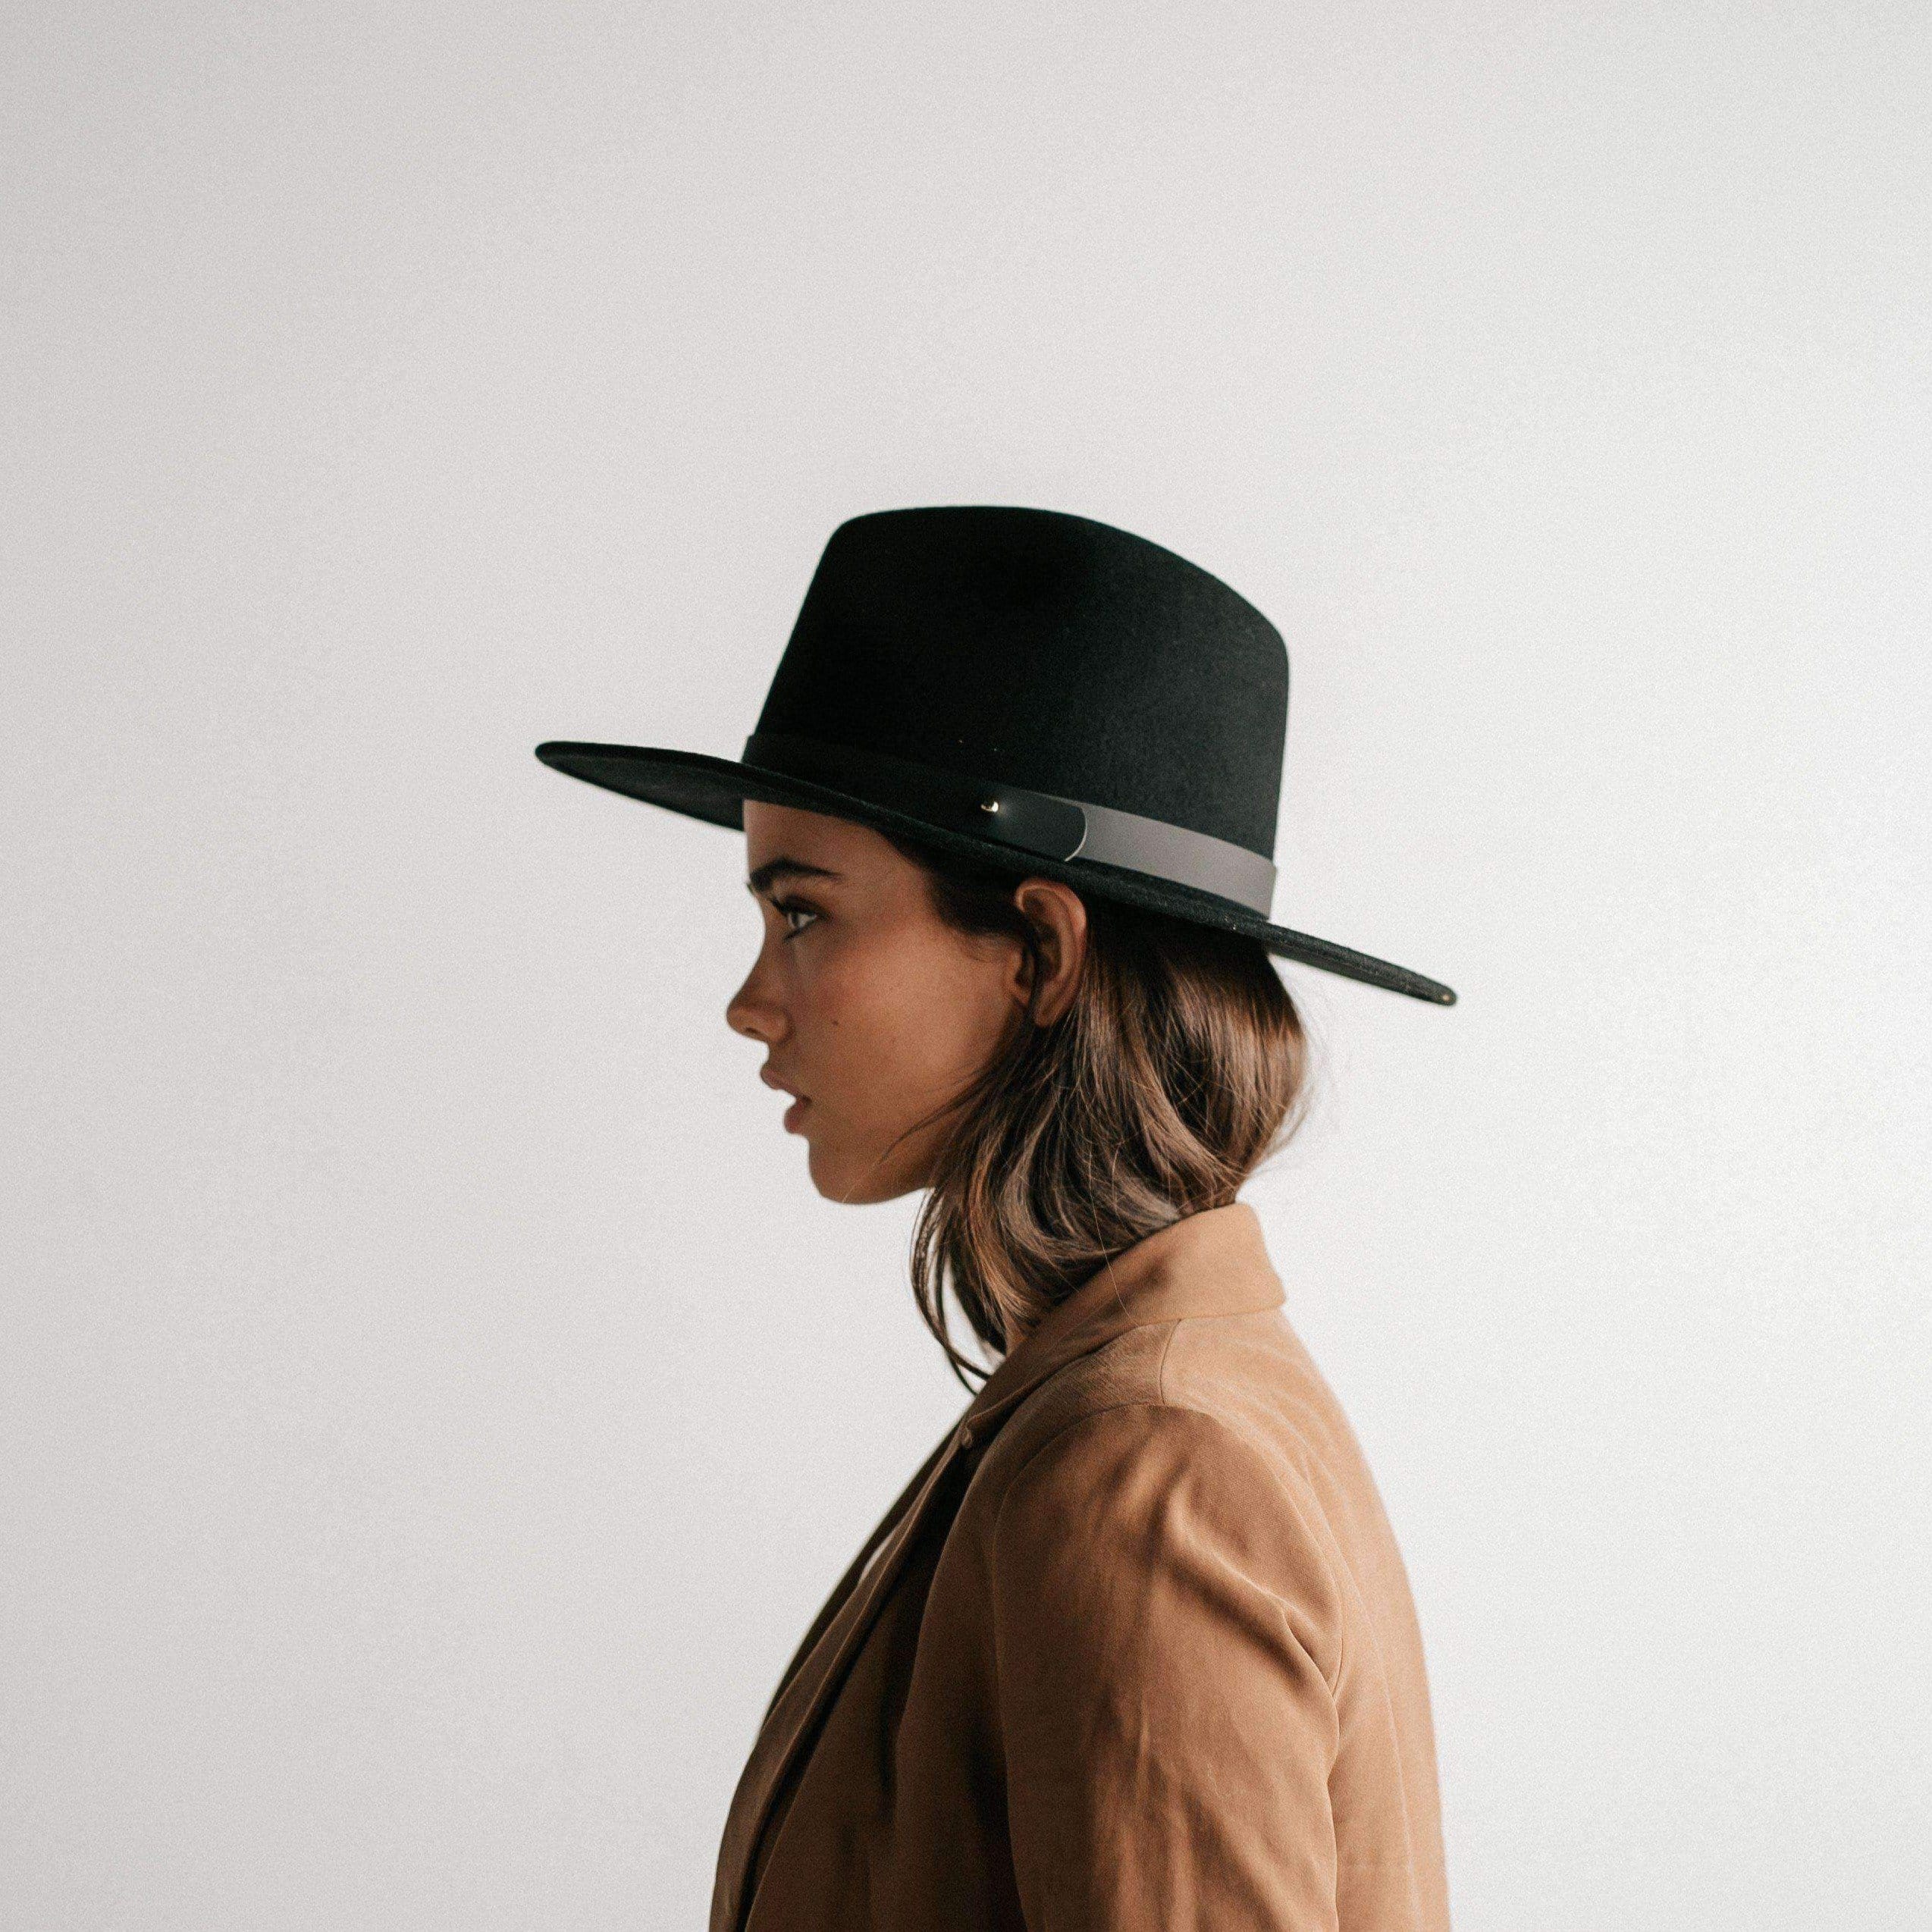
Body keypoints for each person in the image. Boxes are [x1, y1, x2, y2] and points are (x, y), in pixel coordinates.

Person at [535, 505, 1457, 1931]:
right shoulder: (1136, 1401)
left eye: (802, 913)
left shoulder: (1150, 1466)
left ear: (1039, 951)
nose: (749, 1001)